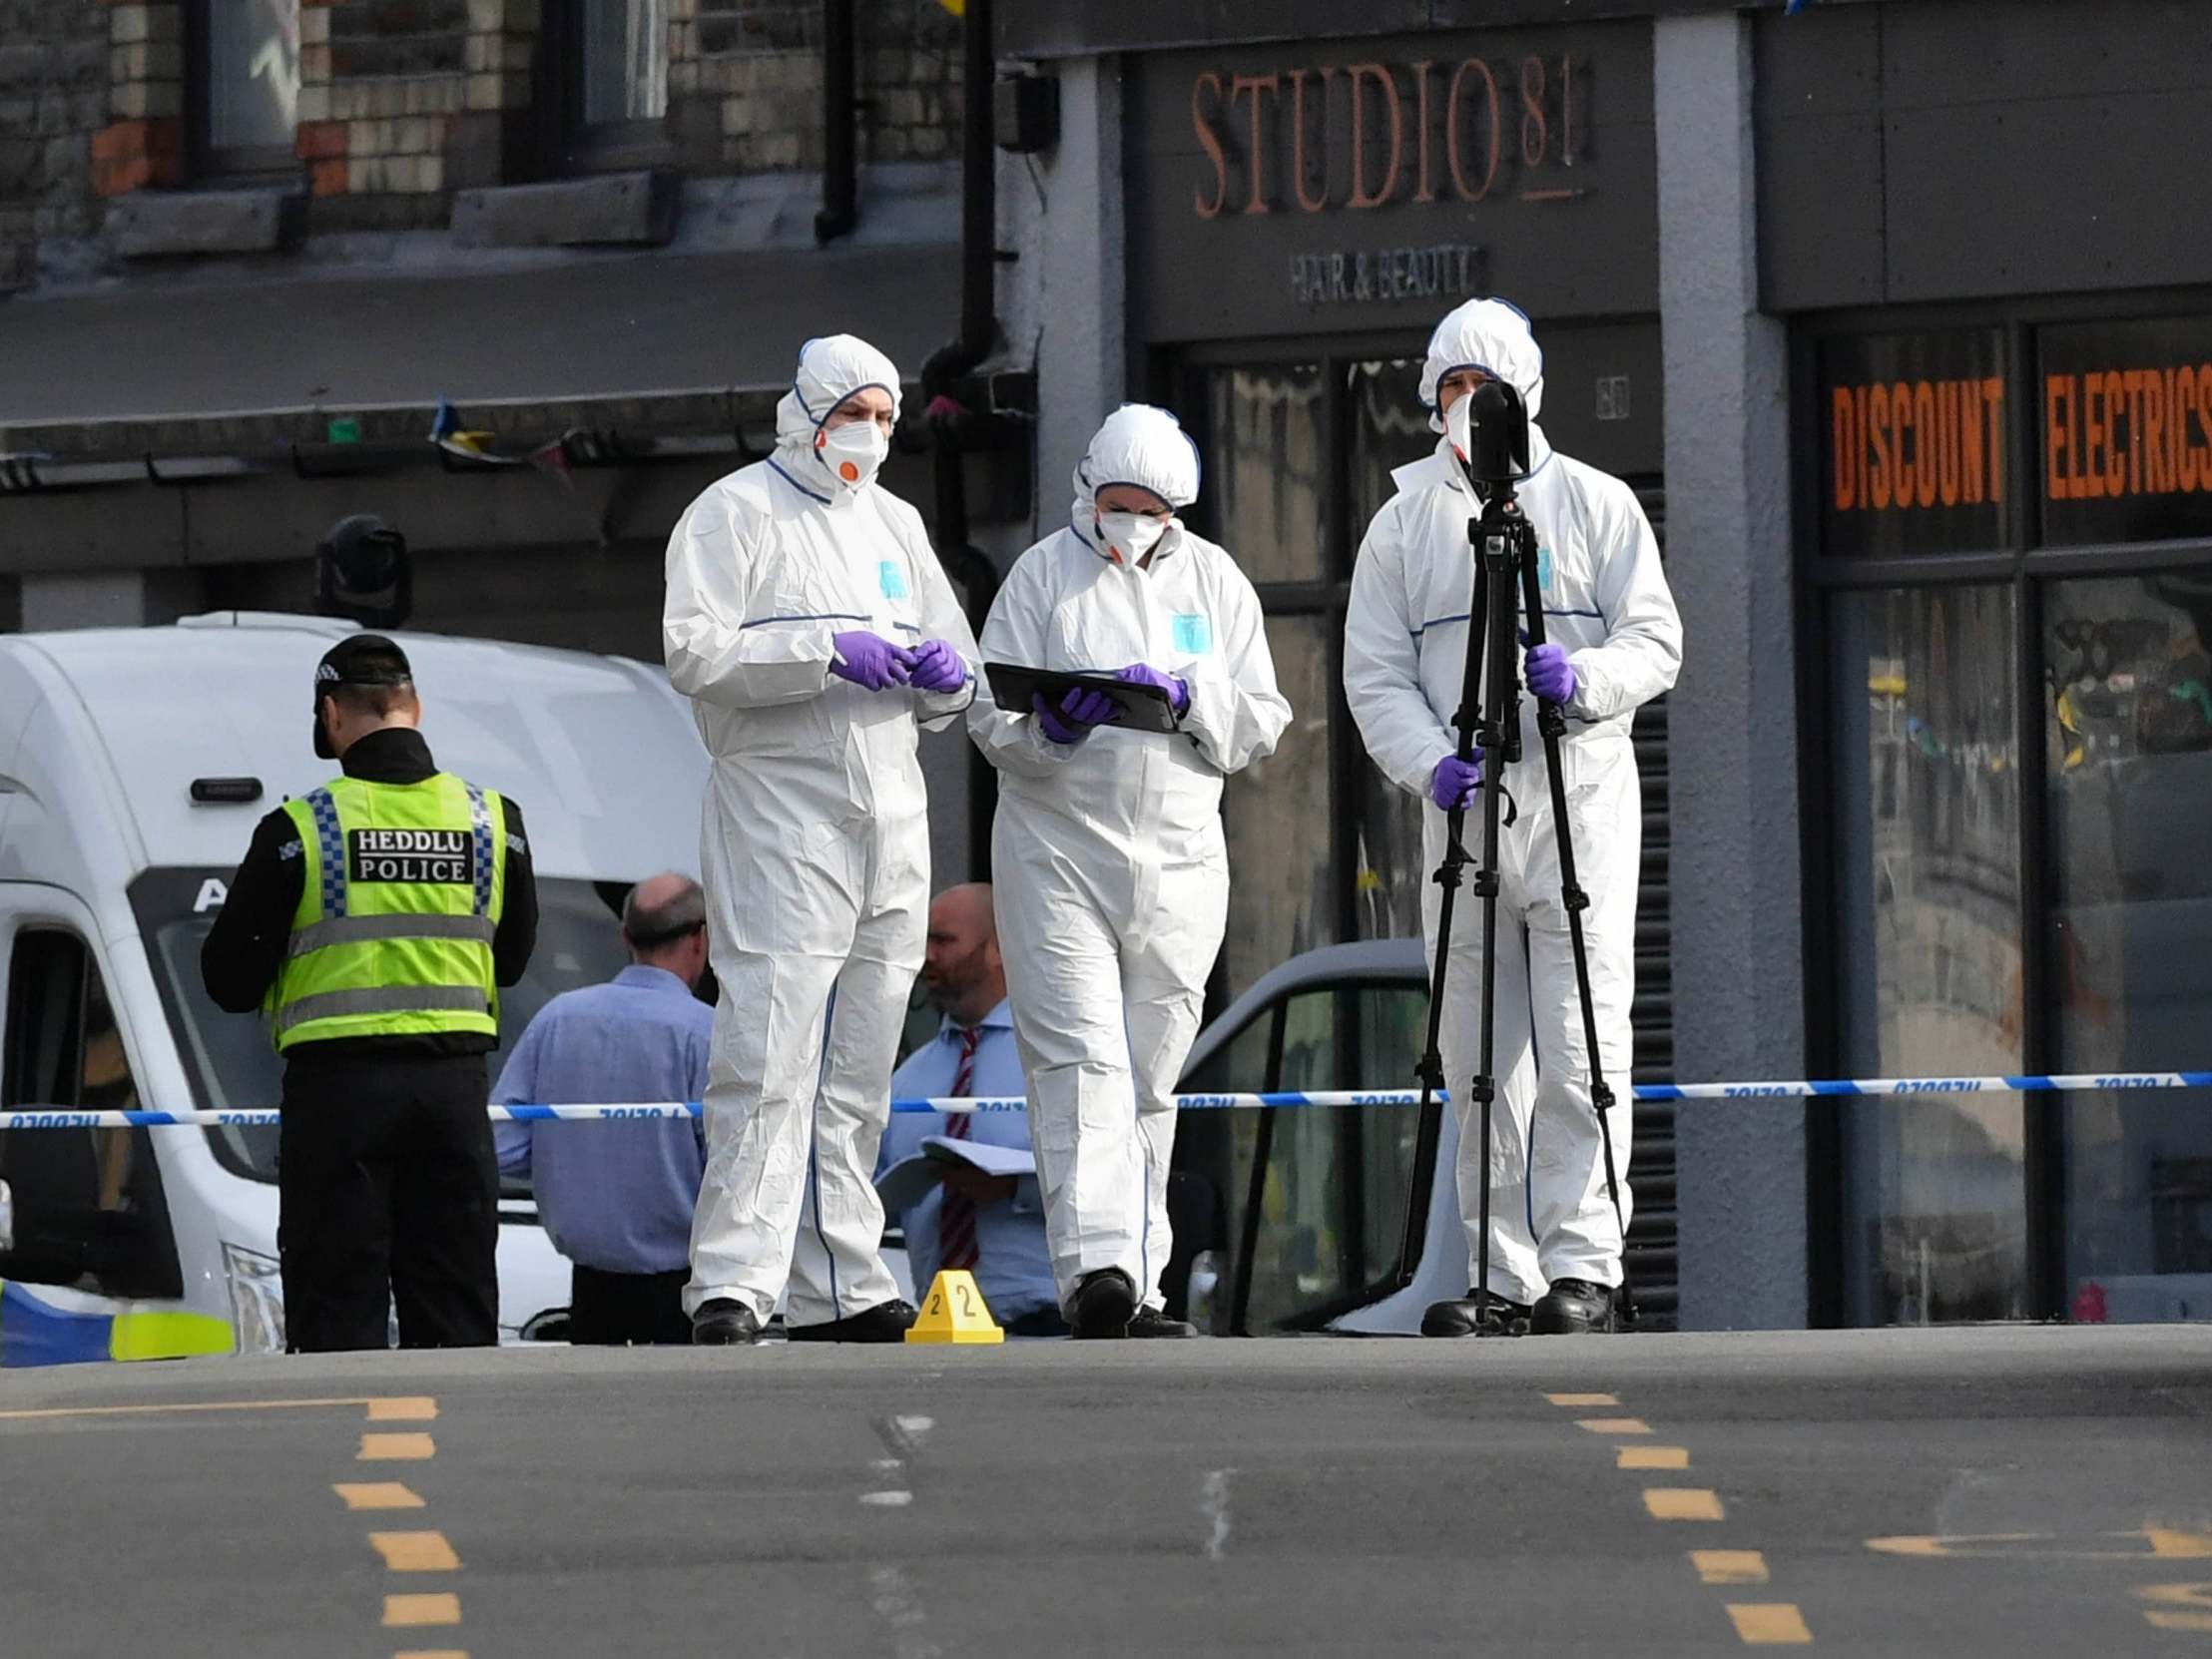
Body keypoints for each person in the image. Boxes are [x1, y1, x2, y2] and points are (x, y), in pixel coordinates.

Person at [1343, 296, 1681, 1338]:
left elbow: (1656, 641)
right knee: (1475, 1049)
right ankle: (1496, 1268)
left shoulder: (1593, 503)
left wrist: (1577, 678)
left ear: (1525, 395)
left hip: (1575, 796)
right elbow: (1374, 675)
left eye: (1481, 390)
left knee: (1581, 1037)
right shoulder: (1402, 523)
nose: (1465, 409)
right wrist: (1426, 764)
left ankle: (1584, 1262)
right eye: (1449, 390)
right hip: (1466, 808)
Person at [664, 333, 981, 1347]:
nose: (874, 434)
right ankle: (733, 1280)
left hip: (891, 804)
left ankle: (840, 1278)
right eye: (858, 414)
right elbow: (694, 650)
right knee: (767, 1044)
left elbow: (960, 666)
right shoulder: (733, 513)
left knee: (861, 1055)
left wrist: (941, 676)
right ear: (804, 413)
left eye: (888, 417)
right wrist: (820, 650)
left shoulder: (894, 522)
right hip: (780, 806)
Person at [968, 403, 1292, 1339]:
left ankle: (1139, 1282)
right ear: (1087, 491)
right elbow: (990, 717)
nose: (1129, 523)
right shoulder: (1040, 578)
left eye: (1148, 508)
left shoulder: (1216, 582)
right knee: (1083, 1060)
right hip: (1059, 853)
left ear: (1175, 508)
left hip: (1183, 859)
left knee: (1152, 1075)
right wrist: (1048, 729)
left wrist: (1194, 702)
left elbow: (1262, 720)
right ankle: (1096, 1269)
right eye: (1115, 503)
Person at [201, 634, 538, 1352]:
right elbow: (508, 963)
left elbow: (227, 981)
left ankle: (345, 1452)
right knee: (455, 1306)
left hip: (339, 1099)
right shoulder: (492, 821)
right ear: (414, 707)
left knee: (336, 1308)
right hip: (453, 1094)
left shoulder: (300, 829)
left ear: (331, 714)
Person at [492, 874, 713, 1347]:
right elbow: (733, 1165)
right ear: (701, 938)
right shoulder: (708, 1034)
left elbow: (501, 1144)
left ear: (625, 936)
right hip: (683, 1295)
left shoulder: (558, 1018)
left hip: (589, 1289)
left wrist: (573, 1155)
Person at [875, 883, 1062, 1336]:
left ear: (1001, 949)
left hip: (1048, 1326)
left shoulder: (1055, 1064)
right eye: (924, 941)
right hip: (938, 1330)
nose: (927, 956)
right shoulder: (906, 1078)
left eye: (943, 940)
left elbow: (1115, 1182)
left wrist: (1014, 1188)